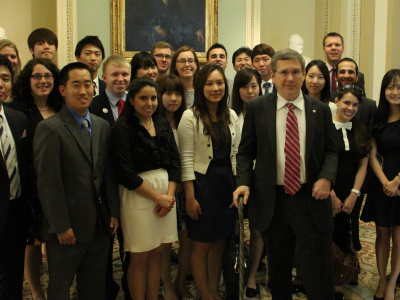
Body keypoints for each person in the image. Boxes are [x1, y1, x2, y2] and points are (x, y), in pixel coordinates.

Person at [233, 48, 338, 300]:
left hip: (311, 199)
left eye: (295, 72)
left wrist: (326, 177)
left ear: (303, 75)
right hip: (274, 201)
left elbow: (331, 151)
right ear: (272, 75)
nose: (289, 78)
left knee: (317, 271)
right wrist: (244, 183)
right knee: (278, 271)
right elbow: (246, 152)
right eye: (283, 72)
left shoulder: (319, 110)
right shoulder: (258, 108)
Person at [33, 62, 120, 300]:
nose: (83, 91)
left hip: (99, 226)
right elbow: (48, 183)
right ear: (62, 90)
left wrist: (114, 211)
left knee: (93, 288)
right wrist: (60, 225)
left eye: (88, 85)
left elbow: (107, 173)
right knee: (60, 288)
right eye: (76, 85)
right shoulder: (49, 129)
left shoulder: (101, 126)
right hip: (66, 228)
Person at [111, 77, 181, 300]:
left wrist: (168, 197)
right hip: (138, 197)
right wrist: (158, 199)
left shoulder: (161, 124)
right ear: (131, 99)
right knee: (140, 256)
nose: (149, 103)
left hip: (166, 196)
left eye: (153, 98)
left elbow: (175, 163)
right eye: (143, 98)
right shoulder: (122, 129)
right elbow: (126, 174)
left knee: (158, 254)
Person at [178, 64, 240, 300]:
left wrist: (238, 186)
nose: (216, 88)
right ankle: (206, 293)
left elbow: (235, 154)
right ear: (201, 86)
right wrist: (190, 198)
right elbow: (186, 159)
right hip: (202, 186)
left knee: (220, 244)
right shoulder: (189, 116)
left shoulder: (231, 115)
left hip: (226, 185)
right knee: (201, 245)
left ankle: (213, 291)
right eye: (209, 83)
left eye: (220, 83)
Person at [9, 58, 63, 300]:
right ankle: (37, 292)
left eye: (48, 76)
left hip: (59, 185)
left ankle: (57, 287)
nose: (43, 81)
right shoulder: (18, 110)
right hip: (30, 186)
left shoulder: (61, 106)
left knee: (57, 239)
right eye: (37, 76)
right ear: (27, 80)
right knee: (32, 242)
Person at [88, 53, 131, 299]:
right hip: (104, 186)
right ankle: (106, 289)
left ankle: (130, 285)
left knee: (131, 243)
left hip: (132, 185)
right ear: (104, 78)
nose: (120, 79)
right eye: (114, 74)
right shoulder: (93, 105)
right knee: (104, 246)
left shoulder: (137, 103)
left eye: (124, 74)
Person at [361, 69, 400, 300]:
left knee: (399, 236)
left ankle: (393, 281)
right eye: (390, 87)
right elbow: (372, 154)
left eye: (399, 87)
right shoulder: (378, 118)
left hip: (399, 183)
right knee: (382, 235)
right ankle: (382, 280)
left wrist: (397, 181)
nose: (395, 92)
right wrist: (386, 181)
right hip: (382, 184)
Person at [331, 85, 370, 299]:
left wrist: (354, 194)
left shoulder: (361, 128)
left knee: (348, 232)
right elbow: (316, 162)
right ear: (336, 101)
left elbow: (363, 164)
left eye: (355, 104)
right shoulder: (326, 127)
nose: (350, 108)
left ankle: (346, 273)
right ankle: (331, 281)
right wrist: (332, 195)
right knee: (329, 234)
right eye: (346, 102)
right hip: (328, 190)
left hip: (352, 191)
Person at [0, 54, 31, 300]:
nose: (1, 84)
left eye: (5, 78)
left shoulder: (17, 118)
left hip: (16, 210)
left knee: (13, 275)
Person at [231, 67, 263, 298]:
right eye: (245, 86)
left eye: (254, 86)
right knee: (234, 230)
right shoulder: (230, 113)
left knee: (258, 230)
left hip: (260, 179)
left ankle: (251, 275)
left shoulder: (266, 111)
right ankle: (233, 272)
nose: (250, 91)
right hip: (233, 179)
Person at [158, 74, 191, 300]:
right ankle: (167, 284)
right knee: (165, 243)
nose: (173, 98)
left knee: (188, 240)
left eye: (178, 93)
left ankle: (180, 282)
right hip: (164, 192)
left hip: (186, 190)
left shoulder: (187, 120)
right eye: (168, 93)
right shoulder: (152, 122)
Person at [331, 58, 376, 127]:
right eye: (342, 72)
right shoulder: (326, 100)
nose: (346, 76)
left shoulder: (369, 106)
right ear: (335, 77)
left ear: (357, 77)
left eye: (351, 72)